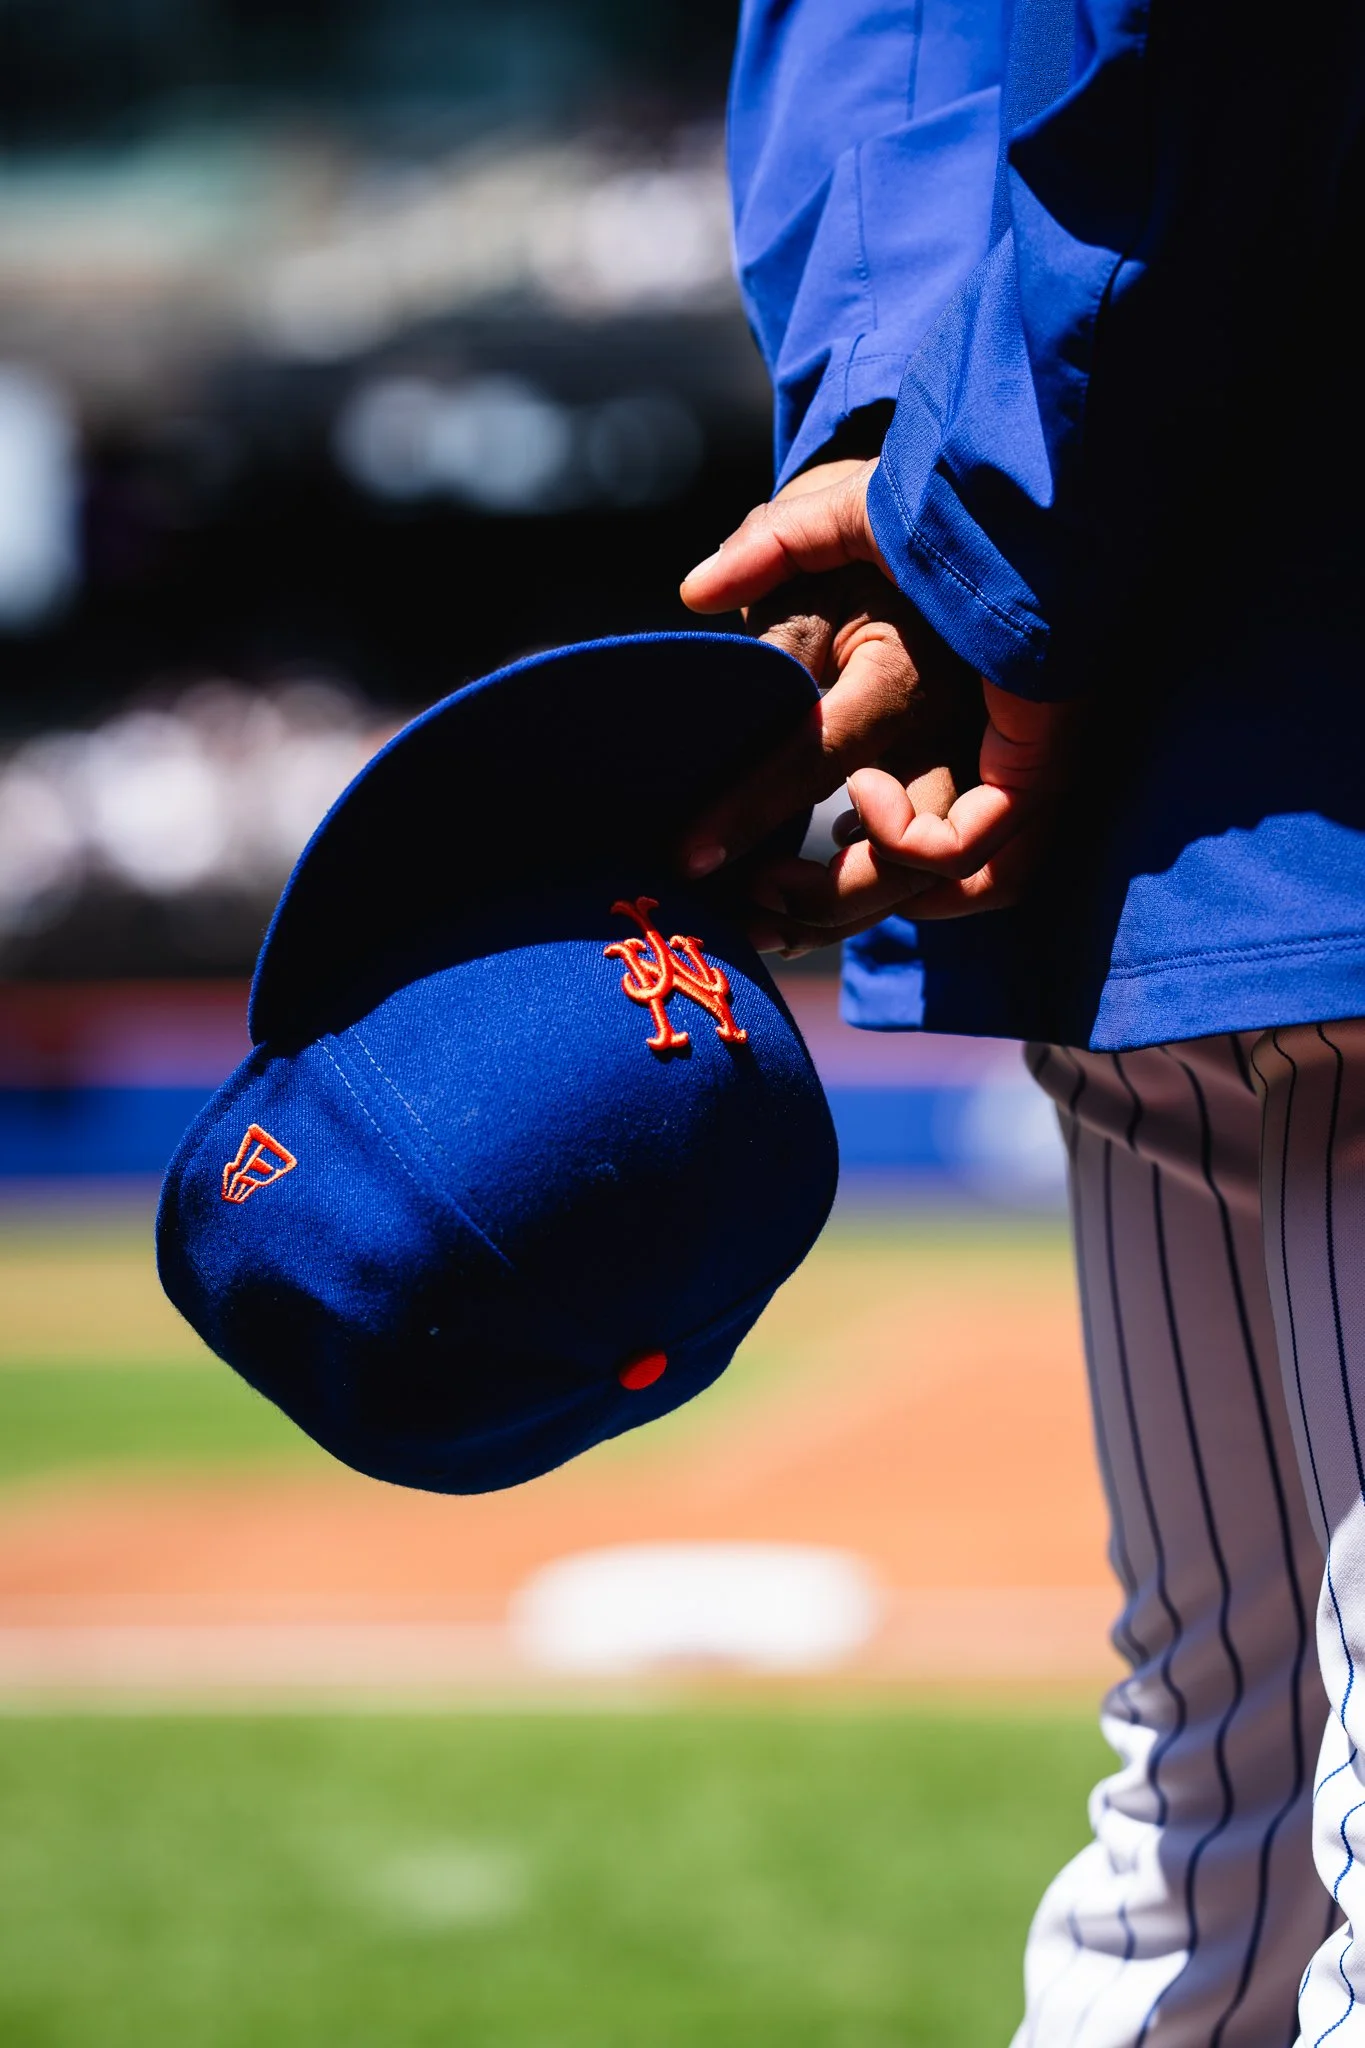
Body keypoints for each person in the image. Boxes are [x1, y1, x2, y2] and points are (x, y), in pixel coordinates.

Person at [676, 1, 1365, 2041]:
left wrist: (918, 496)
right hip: (1284, 712)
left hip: (1139, 840)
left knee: (1204, 1826)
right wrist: (987, 549)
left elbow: (884, 65)